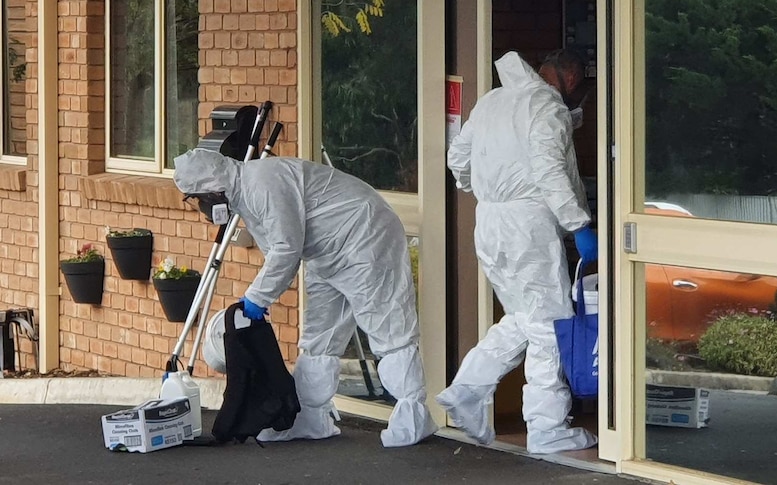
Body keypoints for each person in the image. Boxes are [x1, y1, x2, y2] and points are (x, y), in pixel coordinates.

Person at [172, 148, 438, 448]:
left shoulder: (262, 183)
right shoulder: (244, 196)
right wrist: (260, 298)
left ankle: (413, 416)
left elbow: (286, 248)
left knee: (386, 324)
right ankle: (310, 418)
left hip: (365, 235)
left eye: (197, 198)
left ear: (212, 188)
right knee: (319, 335)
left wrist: (257, 299)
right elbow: (278, 252)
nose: (200, 206)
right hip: (326, 250)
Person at [437, 49, 599, 454]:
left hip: (489, 221)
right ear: (572, 75)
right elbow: (548, 168)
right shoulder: (546, 105)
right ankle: (547, 428)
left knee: (523, 317)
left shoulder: (492, 100)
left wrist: (485, 190)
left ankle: (467, 390)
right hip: (529, 225)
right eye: (579, 83)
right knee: (550, 325)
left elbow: (457, 157)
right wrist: (578, 223)